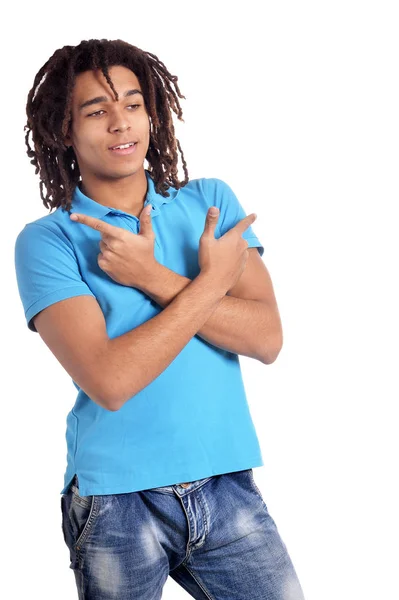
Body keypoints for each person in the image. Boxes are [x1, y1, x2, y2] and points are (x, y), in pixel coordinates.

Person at [14, 38, 305, 599]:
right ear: (64, 131)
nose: (120, 124)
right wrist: (212, 281)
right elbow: (111, 381)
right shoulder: (46, 242)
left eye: (132, 104)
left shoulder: (208, 202)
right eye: (96, 111)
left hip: (225, 481)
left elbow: (267, 339)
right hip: (117, 500)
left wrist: (155, 278)